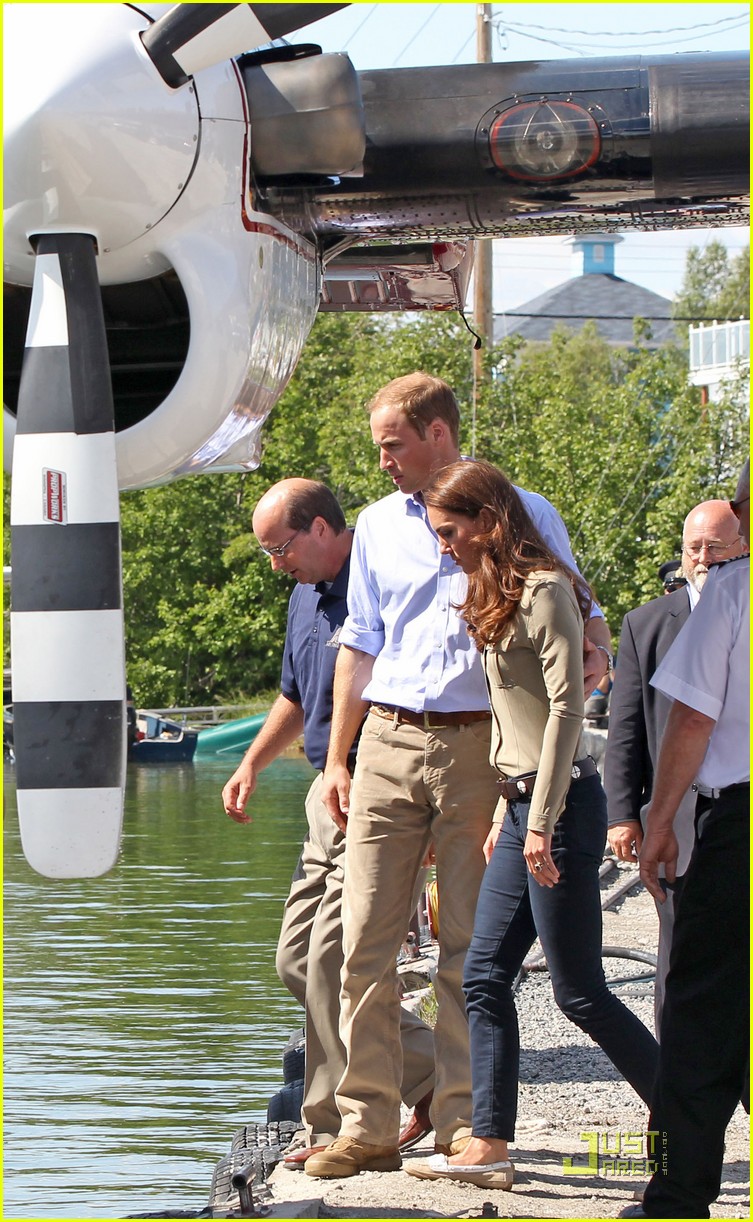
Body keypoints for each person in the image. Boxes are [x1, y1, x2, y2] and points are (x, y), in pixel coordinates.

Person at [305, 373, 613, 1180]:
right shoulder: (373, 526)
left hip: (482, 748)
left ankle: (461, 1126)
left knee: (466, 946)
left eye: (391, 444)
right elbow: (360, 644)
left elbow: (583, 618)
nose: (380, 461)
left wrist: (596, 659)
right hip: (388, 738)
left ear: (437, 434)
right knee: (361, 942)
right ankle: (364, 1122)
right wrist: (337, 759)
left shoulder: (521, 509)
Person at [394, 459, 659, 1190]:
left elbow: (568, 709)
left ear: (486, 520)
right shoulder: (487, 587)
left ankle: (679, 1113)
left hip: (560, 807)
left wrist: (537, 821)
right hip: (519, 809)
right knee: (483, 975)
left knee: (578, 994)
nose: (442, 543)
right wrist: (504, 815)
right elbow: (511, 718)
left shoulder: (544, 590)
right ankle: (490, 1144)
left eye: (449, 530)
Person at [221, 478, 434, 1167]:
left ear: (319, 528)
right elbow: (293, 694)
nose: (276, 563)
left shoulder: (373, 586)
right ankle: (433, 1070)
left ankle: (329, 1124)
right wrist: (253, 760)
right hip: (324, 788)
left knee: (331, 958)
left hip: (375, 785)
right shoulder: (302, 597)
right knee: (294, 959)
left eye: (280, 548)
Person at [619, 460, 750, 1221]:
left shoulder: (732, 593)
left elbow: (693, 721)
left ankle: (675, 1193)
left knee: (700, 1016)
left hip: (737, 821)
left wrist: (660, 817)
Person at [604, 499, 746, 1030]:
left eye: (716, 546)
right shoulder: (647, 624)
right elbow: (627, 728)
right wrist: (625, 815)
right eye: (694, 548)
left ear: (742, 547)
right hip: (679, 818)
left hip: (736, 804)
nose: (704, 559)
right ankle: (675, 1079)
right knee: (679, 953)